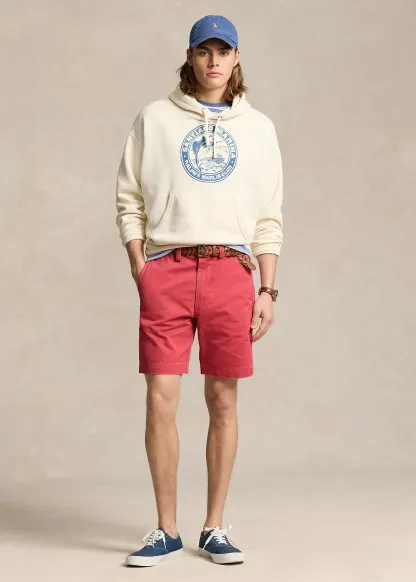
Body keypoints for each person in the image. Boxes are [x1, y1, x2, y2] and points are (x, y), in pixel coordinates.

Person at [115, 14, 283, 567]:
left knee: (223, 399)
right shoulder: (155, 118)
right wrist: (140, 263)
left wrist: (267, 289)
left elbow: (268, 216)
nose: (214, 61)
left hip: (230, 271)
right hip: (167, 267)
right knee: (159, 399)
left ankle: (213, 527)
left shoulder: (258, 129)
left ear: (237, 58)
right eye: (204, 51)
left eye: (223, 51)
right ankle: (165, 529)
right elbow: (129, 197)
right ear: (189, 56)